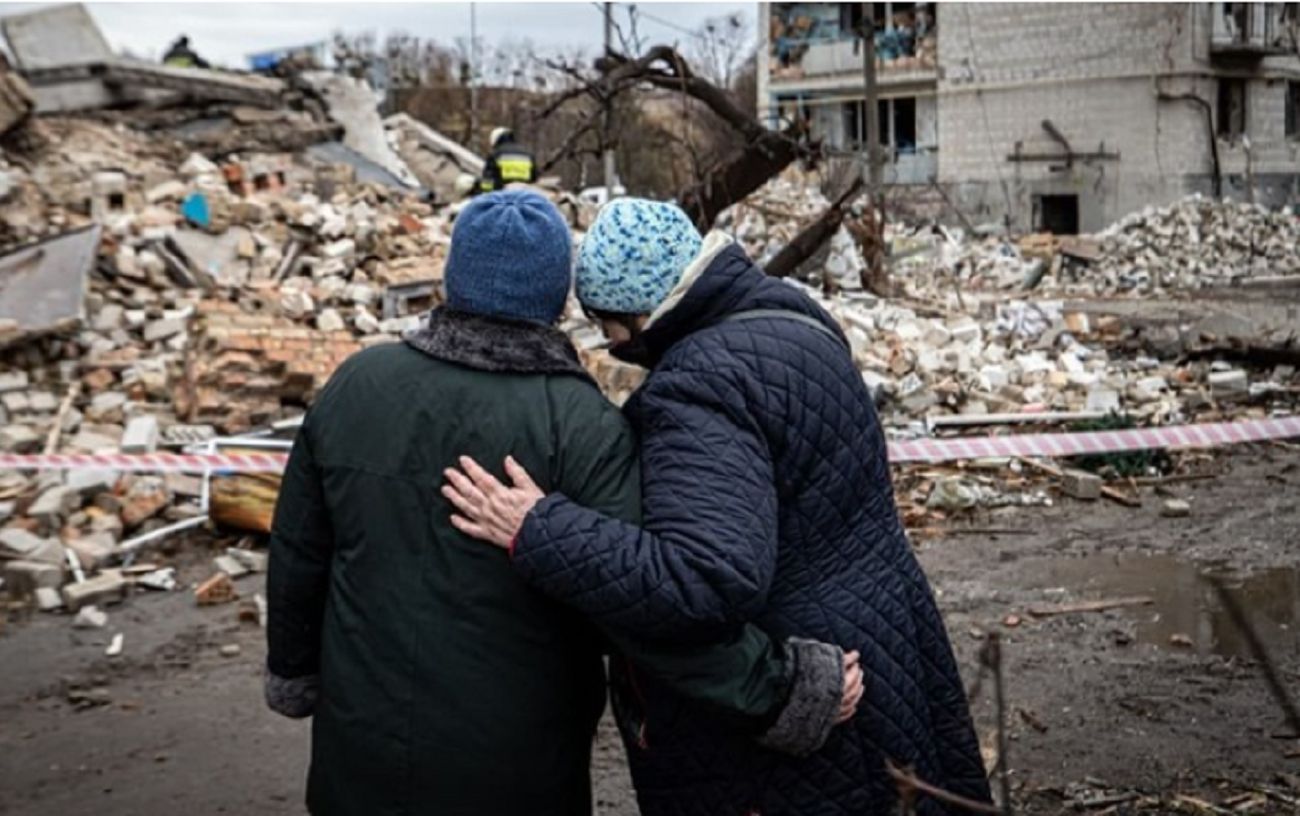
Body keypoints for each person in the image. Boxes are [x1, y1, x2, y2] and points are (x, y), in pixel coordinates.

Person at [264, 190, 863, 816]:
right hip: (514, 766)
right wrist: (780, 690)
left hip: (358, 753)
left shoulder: (357, 384)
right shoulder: (580, 425)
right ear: (555, 299)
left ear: (453, 277)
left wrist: (295, 669)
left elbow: (299, 551)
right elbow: (648, 610)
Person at [444, 199, 993, 815]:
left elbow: (702, 579)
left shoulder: (698, 386)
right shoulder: (791, 320)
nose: (609, 343)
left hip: (807, 708)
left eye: (608, 326)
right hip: (887, 646)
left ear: (641, 313)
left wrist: (538, 529)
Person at [478, 126, 536, 193]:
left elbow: (488, 180)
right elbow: (534, 177)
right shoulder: (527, 153)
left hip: (502, 195)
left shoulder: (496, 154)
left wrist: (485, 193)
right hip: (523, 194)